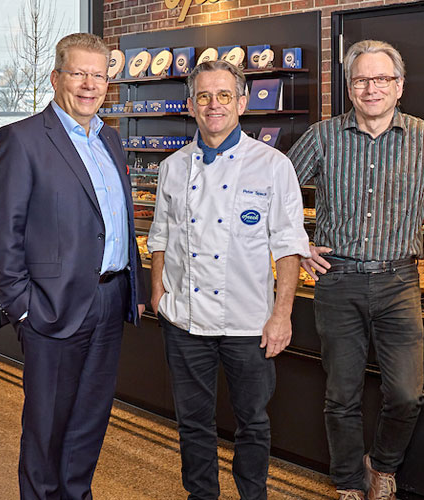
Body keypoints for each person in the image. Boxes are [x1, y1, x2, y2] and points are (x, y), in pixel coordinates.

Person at [286, 40, 424, 500]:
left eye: (382, 79)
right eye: (362, 79)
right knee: (340, 396)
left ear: (400, 86)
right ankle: (348, 482)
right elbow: (273, 188)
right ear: (349, 87)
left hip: (399, 280)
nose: (372, 88)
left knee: (406, 394)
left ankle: (382, 465)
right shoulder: (323, 137)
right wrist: (298, 242)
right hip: (336, 280)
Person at [0, 33, 145, 500]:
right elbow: (2, 235)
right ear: (56, 77)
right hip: (52, 309)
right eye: (79, 73)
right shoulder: (21, 139)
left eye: (99, 75)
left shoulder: (110, 138)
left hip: (111, 300)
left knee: (89, 424)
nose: (90, 85)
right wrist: (24, 307)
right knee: (47, 430)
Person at [147, 59, 310, 500]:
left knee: (252, 421)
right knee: (193, 422)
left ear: (241, 103)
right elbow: (160, 235)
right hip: (185, 320)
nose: (213, 105)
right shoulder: (173, 167)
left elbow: (288, 245)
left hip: (249, 322)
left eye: (223, 96)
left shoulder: (273, 165)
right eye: (203, 96)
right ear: (190, 105)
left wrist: (282, 315)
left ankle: (251, 494)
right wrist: (159, 294)